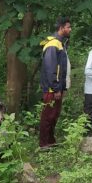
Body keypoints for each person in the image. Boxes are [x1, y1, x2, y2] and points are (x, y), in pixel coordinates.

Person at [38, 17, 72, 148]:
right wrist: (56, 88)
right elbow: (51, 68)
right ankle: (44, 144)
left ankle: (51, 142)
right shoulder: (53, 44)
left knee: (54, 116)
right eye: (68, 27)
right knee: (48, 116)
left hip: (57, 88)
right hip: (52, 89)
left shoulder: (60, 43)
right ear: (61, 28)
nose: (70, 29)